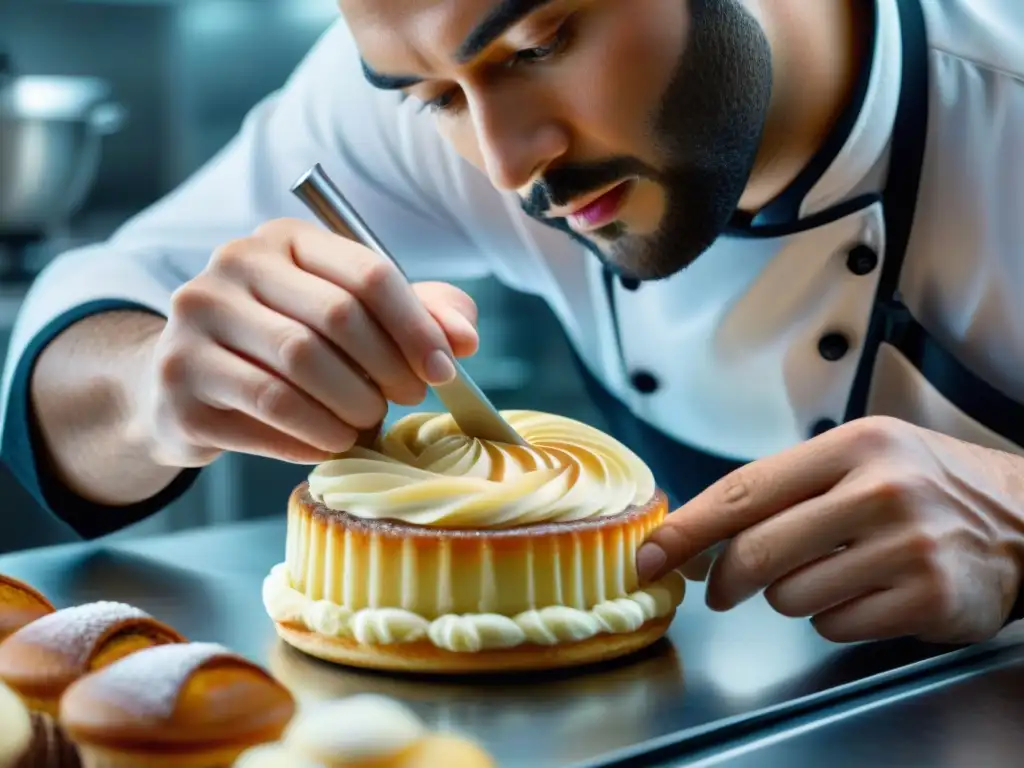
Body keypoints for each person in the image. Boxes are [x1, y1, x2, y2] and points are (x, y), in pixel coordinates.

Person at [4, 0, 1024, 647]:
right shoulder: (435, 70)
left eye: (541, 42)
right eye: (436, 99)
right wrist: (155, 391)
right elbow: (102, 300)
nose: (503, 164)